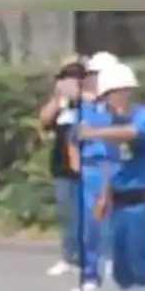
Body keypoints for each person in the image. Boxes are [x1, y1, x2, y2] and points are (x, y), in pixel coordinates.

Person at [77, 63, 145, 291]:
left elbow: (133, 135)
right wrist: (105, 195)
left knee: (144, 264)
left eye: (113, 95)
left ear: (126, 92)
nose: (110, 103)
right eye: (106, 97)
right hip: (120, 200)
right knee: (121, 266)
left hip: (144, 201)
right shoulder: (112, 124)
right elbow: (112, 164)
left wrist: (92, 133)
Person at [68, 51, 120, 291]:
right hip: (90, 171)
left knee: (112, 225)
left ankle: (112, 275)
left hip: (114, 168)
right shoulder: (85, 108)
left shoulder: (118, 110)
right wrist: (77, 165)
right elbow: (72, 139)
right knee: (89, 226)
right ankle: (90, 277)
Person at [39, 57, 86, 279]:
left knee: (87, 214)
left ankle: (91, 259)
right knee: (67, 214)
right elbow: (44, 121)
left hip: (87, 165)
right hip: (61, 165)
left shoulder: (89, 104)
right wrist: (59, 99)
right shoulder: (61, 104)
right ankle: (69, 257)